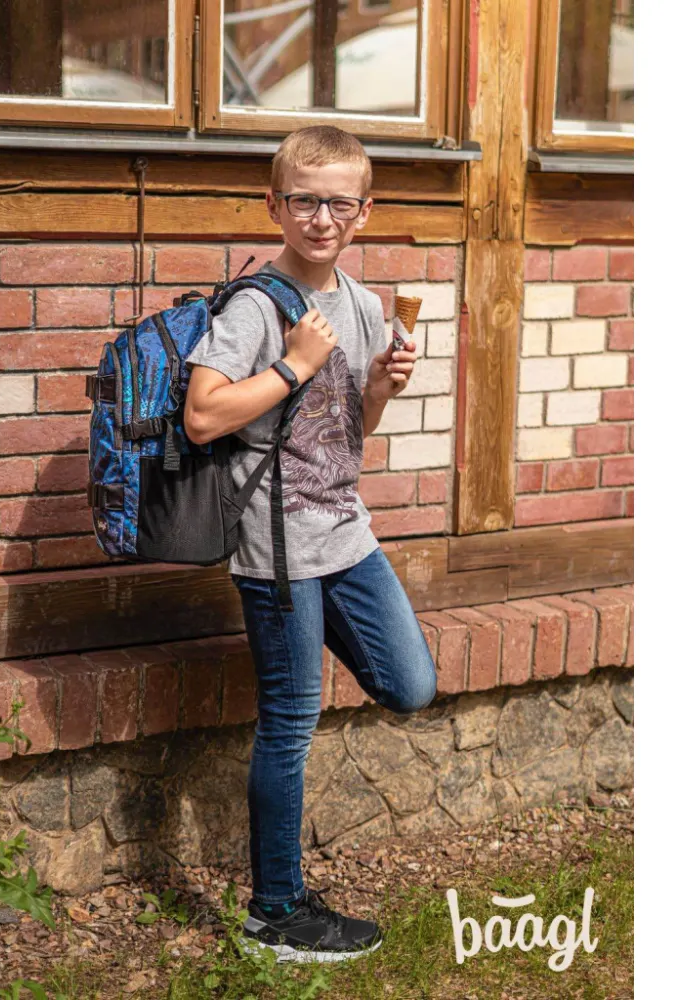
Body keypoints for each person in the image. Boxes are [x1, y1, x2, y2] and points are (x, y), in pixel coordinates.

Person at [184, 125, 438, 963]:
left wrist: (380, 388)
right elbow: (203, 416)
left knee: (410, 684)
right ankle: (275, 912)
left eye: (337, 203)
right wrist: (292, 364)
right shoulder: (256, 307)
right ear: (275, 205)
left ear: (365, 211)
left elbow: (345, 432)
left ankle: (312, 632)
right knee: (291, 721)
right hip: (279, 549)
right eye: (303, 200)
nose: (320, 218)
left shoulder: (362, 305)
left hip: (344, 532)